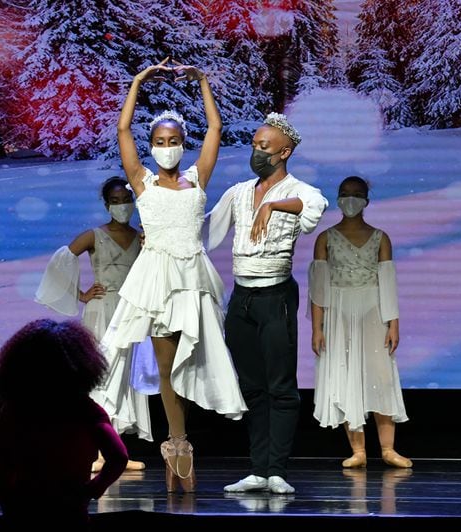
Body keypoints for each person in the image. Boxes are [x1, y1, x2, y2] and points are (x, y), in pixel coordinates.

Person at [101, 57, 247, 494]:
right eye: (161, 140)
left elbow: (216, 130)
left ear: (183, 143)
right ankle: (177, 443)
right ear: (153, 145)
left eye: (174, 139)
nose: (167, 145)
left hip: (194, 277)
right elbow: (124, 131)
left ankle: (180, 442)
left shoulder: (197, 178)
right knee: (166, 366)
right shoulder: (141, 181)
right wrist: (138, 82)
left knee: (199, 356)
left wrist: (202, 81)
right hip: (158, 277)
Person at [209, 113, 328, 494]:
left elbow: (315, 206)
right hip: (242, 297)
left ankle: (276, 469)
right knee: (253, 386)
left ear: (284, 152)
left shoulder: (298, 189)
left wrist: (274, 206)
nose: (257, 152)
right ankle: (258, 469)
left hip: (275, 296)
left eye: (265, 147)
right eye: (255, 145)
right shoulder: (240, 192)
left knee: (280, 385)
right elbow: (207, 227)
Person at [34, 176, 151, 472]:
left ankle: (116, 450)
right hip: (102, 310)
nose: (122, 206)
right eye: (115, 201)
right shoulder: (94, 236)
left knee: (125, 377)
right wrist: (81, 294)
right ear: (106, 204)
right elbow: (59, 264)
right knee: (102, 375)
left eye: (126, 200)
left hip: (131, 310)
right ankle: (99, 451)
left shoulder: (140, 236)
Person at [309, 176, 411, 469]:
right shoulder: (325, 238)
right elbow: (319, 288)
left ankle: (388, 448)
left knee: (380, 375)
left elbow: (387, 282)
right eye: (345, 193)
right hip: (338, 311)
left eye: (356, 194)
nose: (350, 198)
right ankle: (358, 450)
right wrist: (317, 328)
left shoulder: (381, 237)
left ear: (366, 200)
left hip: (372, 309)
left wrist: (393, 323)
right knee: (344, 375)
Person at [0, 318, 128, 529]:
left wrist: (8, 505)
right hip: (70, 514)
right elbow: (118, 457)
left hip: (24, 512)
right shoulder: (85, 410)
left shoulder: (14, 409)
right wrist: (91, 490)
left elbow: (5, 463)